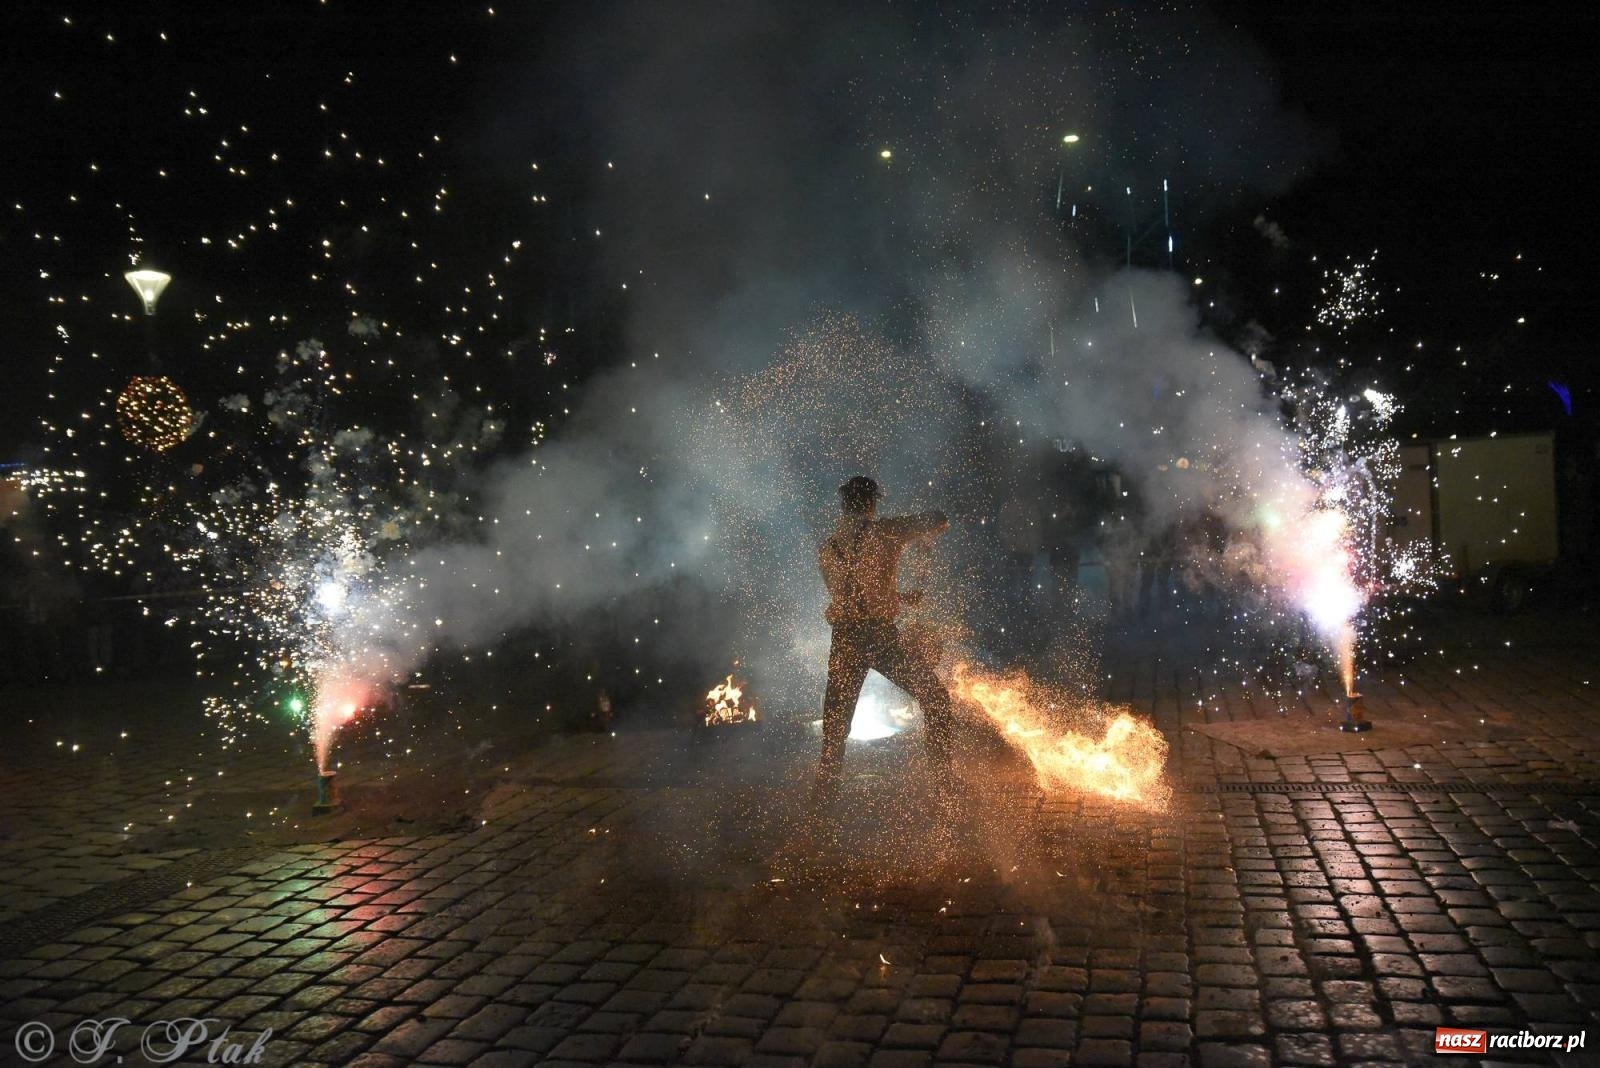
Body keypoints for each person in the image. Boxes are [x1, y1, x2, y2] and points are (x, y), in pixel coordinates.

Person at [815, 475, 954, 799]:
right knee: (936, 699)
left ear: (844, 504)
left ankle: (820, 805)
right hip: (878, 636)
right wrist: (922, 534)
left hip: (845, 638)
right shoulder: (886, 530)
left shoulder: (827, 548)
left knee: (835, 728)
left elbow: (851, 594)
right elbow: (939, 519)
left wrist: (898, 597)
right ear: (872, 503)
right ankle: (944, 787)